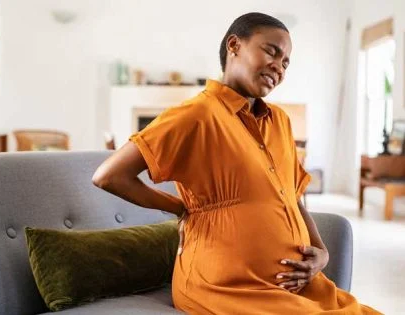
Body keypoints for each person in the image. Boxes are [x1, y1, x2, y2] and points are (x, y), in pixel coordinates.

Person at [92, 12, 381, 315]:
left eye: (285, 63)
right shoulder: (195, 115)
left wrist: (322, 252)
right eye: (271, 51)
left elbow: (291, 197)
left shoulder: (280, 121)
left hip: (292, 285)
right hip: (224, 284)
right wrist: (180, 208)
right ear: (234, 45)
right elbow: (109, 176)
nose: (278, 67)